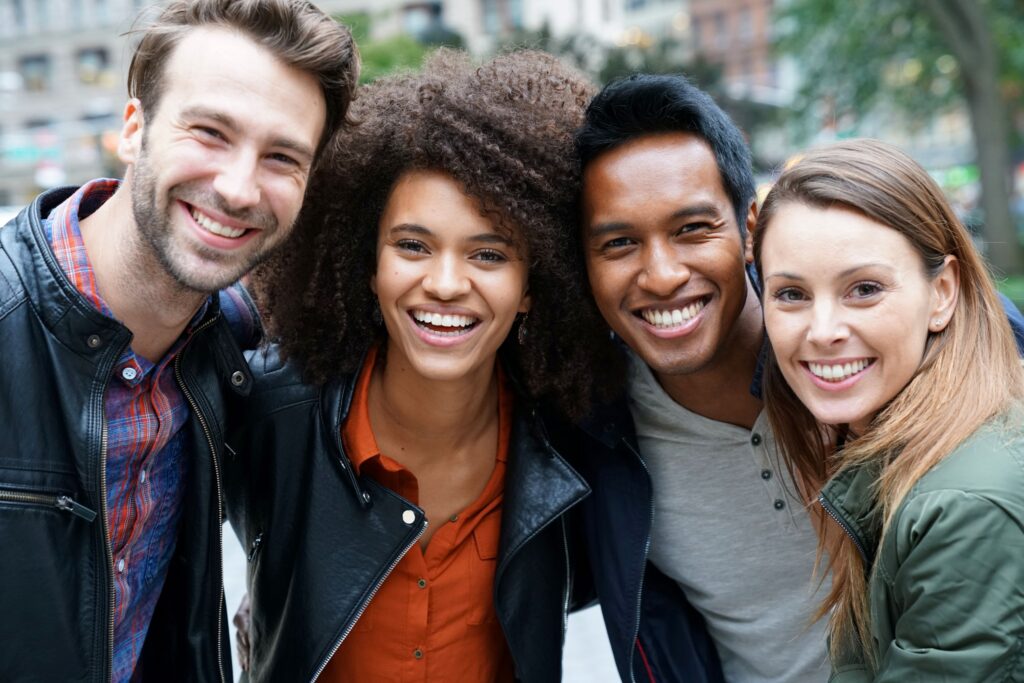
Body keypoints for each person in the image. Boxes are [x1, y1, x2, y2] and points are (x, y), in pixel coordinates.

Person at [567, 74, 1024, 683]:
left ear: (748, 229)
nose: (661, 274)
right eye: (619, 243)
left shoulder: (884, 357)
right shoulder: (590, 432)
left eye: (692, 229)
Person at [222, 49, 615, 682]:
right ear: (368, 264)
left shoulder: (571, 441)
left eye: (488, 255)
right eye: (412, 246)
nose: (446, 283)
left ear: (534, 285)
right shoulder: (270, 412)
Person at [0, 1, 357, 680]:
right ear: (134, 128)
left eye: (283, 156)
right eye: (211, 132)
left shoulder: (232, 346)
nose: (238, 186)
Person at [753, 139, 1024, 681]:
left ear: (942, 292)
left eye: (864, 289)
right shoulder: (892, 444)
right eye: (791, 295)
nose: (823, 330)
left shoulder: (962, 506)